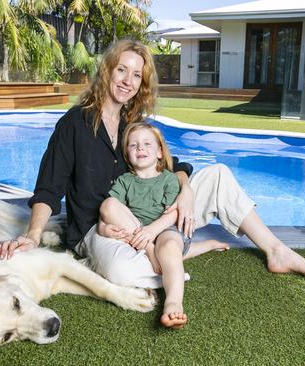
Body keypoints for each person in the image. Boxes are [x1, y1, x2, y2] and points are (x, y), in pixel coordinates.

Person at [0, 37, 305, 318]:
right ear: (107, 71)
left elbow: (173, 164)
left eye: (137, 75)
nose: (128, 81)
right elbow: (49, 187)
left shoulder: (133, 123)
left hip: (154, 217)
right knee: (124, 274)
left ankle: (276, 251)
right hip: (99, 229)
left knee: (217, 174)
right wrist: (34, 235)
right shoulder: (74, 123)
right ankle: (172, 254)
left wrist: (185, 191)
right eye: (122, 70)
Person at [98, 122, 228, 328]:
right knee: (107, 204)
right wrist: (103, 229)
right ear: (127, 155)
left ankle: (173, 301)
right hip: (138, 230)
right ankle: (156, 250)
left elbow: (174, 213)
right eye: (133, 145)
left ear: (160, 152)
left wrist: (151, 231)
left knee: (168, 248)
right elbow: (110, 210)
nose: (140, 148)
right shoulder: (124, 181)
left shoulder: (168, 179)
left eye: (147, 144)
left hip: (167, 229)